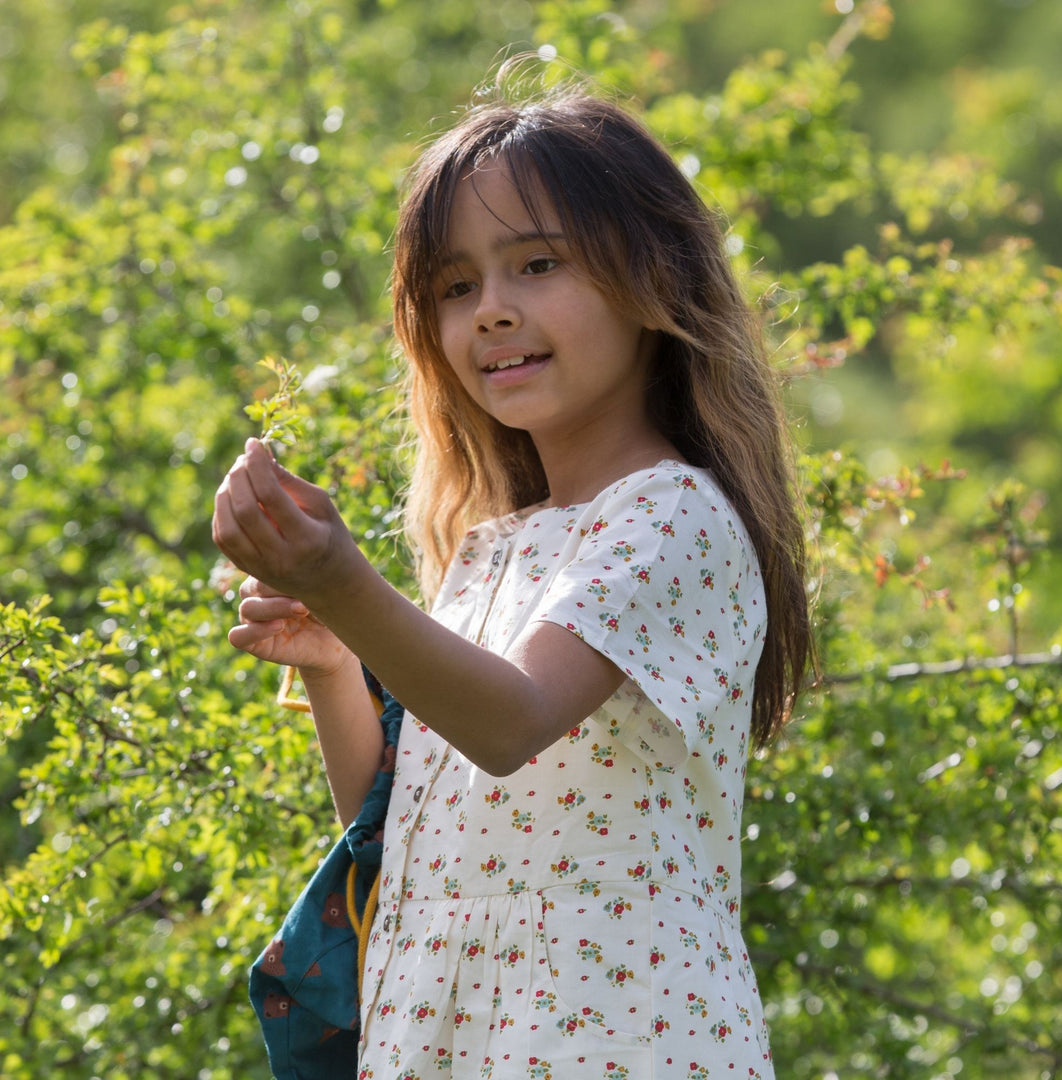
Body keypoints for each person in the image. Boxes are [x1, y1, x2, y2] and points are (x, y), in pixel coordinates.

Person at [213, 75, 811, 1080]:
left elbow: (512, 721)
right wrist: (333, 657)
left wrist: (348, 582)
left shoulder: (671, 514)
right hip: (449, 1036)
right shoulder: (495, 549)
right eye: (456, 286)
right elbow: (409, 826)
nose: (491, 312)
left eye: (537, 264)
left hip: (607, 1042)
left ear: (653, 277)